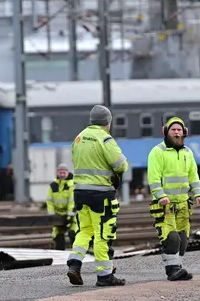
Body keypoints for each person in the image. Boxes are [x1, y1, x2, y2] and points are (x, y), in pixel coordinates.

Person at [66, 105, 129, 287]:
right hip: (100, 195)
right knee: (103, 234)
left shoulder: (79, 138)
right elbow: (121, 165)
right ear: (107, 122)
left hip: (79, 193)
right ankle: (105, 276)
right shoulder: (105, 139)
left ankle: (74, 265)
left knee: (84, 230)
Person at [147, 117, 200, 281]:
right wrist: (161, 195)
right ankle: (172, 271)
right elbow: (154, 178)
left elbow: (193, 175)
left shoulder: (188, 153)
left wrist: (198, 193)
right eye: (174, 130)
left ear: (185, 132)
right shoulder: (157, 152)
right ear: (165, 132)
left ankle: (178, 268)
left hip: (184, 204)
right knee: (171, 237)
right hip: (165, 205)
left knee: (183, 240)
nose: (177, 132)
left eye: (179, 130)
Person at [46, 163, 77, 250]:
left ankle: (78, 254)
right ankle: (60, 254)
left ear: (68, 172)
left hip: (72, 216)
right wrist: (52, 215)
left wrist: (70, 215)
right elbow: (49, 201)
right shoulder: (53, 186)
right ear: (57, 173)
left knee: (73, 234)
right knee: (58, 236)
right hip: (58, 216)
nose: (62, 174)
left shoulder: (72, 185)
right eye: (60, 172)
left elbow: (72, 201)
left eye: (64, 172)